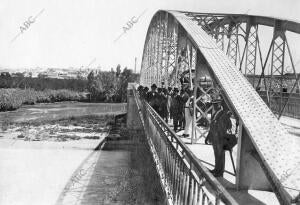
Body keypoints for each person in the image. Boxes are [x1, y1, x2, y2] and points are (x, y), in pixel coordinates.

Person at [208, 97, 232, 177]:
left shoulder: (223, 114)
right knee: (216, 154)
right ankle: (216, 169)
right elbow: (212, 125)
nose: (214, 106)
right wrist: (209, 135)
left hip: (221, 138)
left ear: (219, 104)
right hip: (215, 138)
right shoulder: (215, 113)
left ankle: (220, 172)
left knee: (221, 155)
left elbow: (229, 126)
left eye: (215, 104)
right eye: (213, 104)